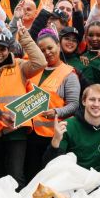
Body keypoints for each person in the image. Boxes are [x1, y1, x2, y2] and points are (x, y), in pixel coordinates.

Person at [0, 25, 45, 188]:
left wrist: (25, 38)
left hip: (15, 129)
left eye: (2, 49)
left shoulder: (19, 66)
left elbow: (40, 62)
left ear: (9, 49)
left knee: (15, 175)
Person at [24, 30, 80, 182]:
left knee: (51, 179)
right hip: (31, 135)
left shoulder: (69, 74)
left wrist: (56, 111)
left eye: (50, 48)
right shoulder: (33, 70)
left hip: (54, 136)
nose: (47, 52)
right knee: (32, 177)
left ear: (58, 46)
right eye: (42, 50)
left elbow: (74, 104)